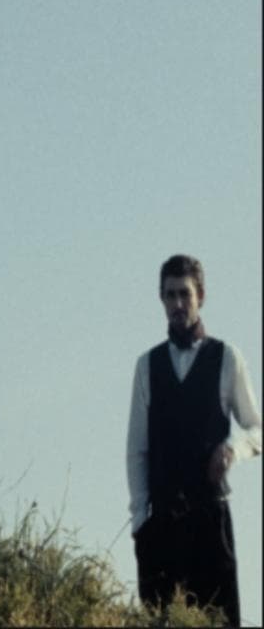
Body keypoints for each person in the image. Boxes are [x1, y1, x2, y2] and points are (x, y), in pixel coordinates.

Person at [126, 254, 260, 627]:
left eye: (184, 294)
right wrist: (140, 521)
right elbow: (137, 450)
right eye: (170, 295)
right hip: (161, 529)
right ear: (161, 299)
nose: (178, 304)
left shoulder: (227, 358)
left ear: (200, 295)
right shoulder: (146, 366)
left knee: (220, 621)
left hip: (210, 522)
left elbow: (257, 428)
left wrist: (233, 448)